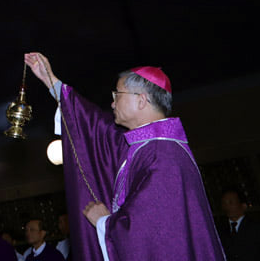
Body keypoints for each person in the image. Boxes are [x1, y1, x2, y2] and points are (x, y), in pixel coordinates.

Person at [24, 52, 225, 261]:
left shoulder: (164, 156)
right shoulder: (143, 147)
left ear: (141, 100)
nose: (112, 104)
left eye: (117, 95)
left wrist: (104, 222)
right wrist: (51, 82)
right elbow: (96, 127)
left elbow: (153, 234)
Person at [219, 187, 260, 260]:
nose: (227, 206)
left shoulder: (259, 228)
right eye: (224, 203)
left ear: (243, 206)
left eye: (231, 202)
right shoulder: (220, 231)